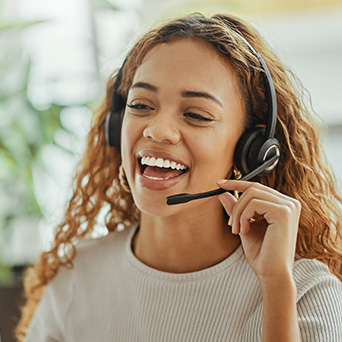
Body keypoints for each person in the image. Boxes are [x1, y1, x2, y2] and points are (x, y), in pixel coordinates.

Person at [17, 13, 342, 341]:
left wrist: (275, 286)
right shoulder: (76, 278)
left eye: (196, 114)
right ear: (116, 125)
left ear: (253, 149)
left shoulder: (304, 292)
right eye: (141, 105)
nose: (157, 129)